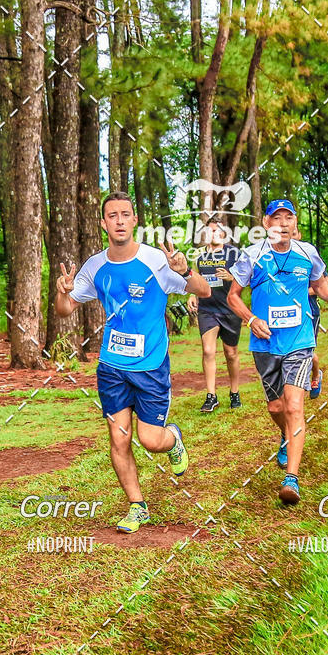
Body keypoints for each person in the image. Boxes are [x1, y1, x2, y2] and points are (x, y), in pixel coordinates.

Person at [55, 191, 211, 534]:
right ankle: (137, 506)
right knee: (119, 438)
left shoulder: (157, 261)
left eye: (125, 214)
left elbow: (203, 292)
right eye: (113, 215)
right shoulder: (95, 266)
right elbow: (65, 309)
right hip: (112, 367)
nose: (120, 220)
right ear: (103, 223)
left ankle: (173, 439)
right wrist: (62, 291)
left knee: (151, 440)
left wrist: (185, 271)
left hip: (151, 365)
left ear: (135, 219)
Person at [227, 199, 328, 505]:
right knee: (276, 408)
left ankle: (291, 479)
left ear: (296, 224)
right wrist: (251, 319)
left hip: (299, 340)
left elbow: (320, 283)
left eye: (288, 217)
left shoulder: (307, 252)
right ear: (266, 224)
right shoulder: (252, 255)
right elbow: (233, 297)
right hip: (265, 343)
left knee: (294, 406)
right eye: (275, 217)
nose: (282, 223)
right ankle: (285, 436)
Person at [187, 219, 242, 412]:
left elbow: (248, 278)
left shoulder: (234, 254)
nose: (214, 233)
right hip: (208, 310)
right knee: (208, 351)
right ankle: (211, 396)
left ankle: (234, 392)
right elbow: (197, 280)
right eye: (210, 231)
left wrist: (232, 277)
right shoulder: (201, 257)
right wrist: (193, 295)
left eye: (218, 230)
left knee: (231, 353)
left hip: (230, 309)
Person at [293, 228, 323, 399]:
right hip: (286, 316)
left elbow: (320, 287)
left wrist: (299, 292)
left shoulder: (309, 255)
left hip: (309, 311)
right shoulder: (277, 258)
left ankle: (316, 376)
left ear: (300, 235)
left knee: (308, 351)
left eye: (295, 233)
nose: (292, 237)